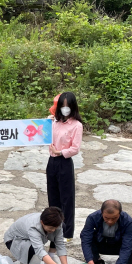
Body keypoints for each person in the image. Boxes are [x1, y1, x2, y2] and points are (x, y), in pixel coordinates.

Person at [46, 92, 83, 242]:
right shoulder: (54, 123)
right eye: (62, 106)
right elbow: (43, 135)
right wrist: (46, 123)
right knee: (52, 196)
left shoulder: (76, 125)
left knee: (67, 198)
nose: (65, 109)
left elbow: (75, 148)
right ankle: (53, 228)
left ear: (73, 107)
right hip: (52, 162)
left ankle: (67, 233)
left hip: (64, 162)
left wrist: (60, 152)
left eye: (68, 106)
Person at [3, 207, 68, 264]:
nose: (53, 230)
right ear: (42, 222)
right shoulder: (33, 227)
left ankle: (51, 255)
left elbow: (60, 244)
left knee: (63, 227)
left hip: (29, 237)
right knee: (33, 249)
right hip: (14, 240)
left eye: (55, 228)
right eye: (51, 228)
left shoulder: (56, 224)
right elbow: (39, 250)